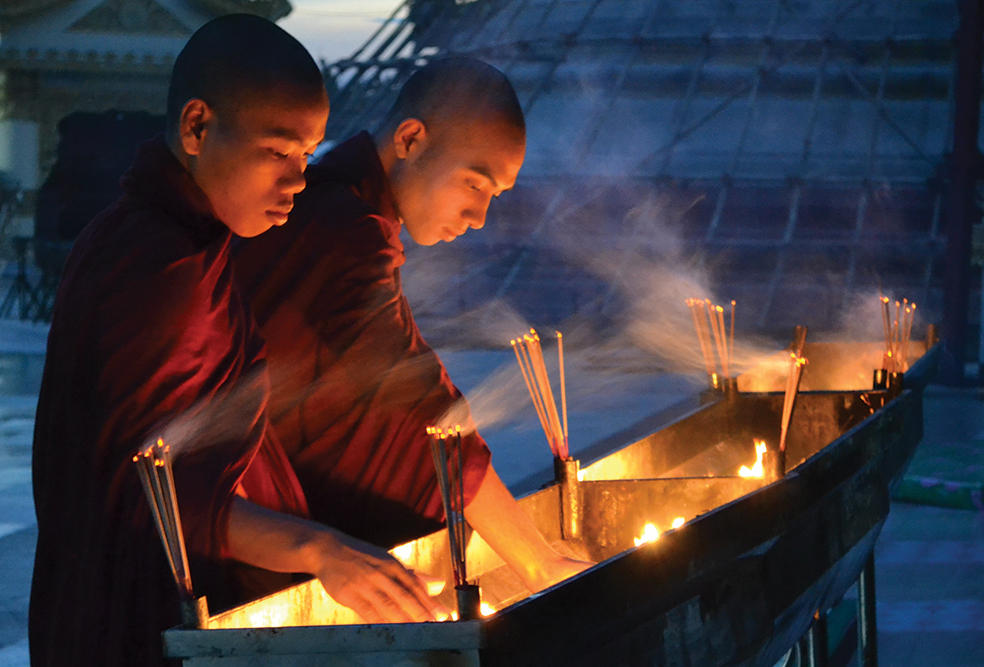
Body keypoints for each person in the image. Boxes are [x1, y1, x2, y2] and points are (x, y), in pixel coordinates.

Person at [30, 16, 444, 667]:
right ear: (197, 127)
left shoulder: (160, 237)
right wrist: (321, 550)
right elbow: (163, 493)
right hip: (145, 621)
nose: (298, 180)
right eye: (278, 151)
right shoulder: (160, 267)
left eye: (307, 156)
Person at [234, 58, 591, 598]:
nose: (479, 216)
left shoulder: (348, 211)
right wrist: (538, 564)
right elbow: (423, 402)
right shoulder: (344, 227)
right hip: (261, 537)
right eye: (475, 184)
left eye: (494, 196)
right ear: (410, 140)